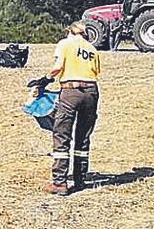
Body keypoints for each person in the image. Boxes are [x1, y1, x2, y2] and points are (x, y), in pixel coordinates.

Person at [32, 21, 102, 195]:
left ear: (70, 32)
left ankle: (59, 182)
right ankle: (80, 179)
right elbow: (94, 72)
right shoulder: (92, 49)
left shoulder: (65, 44)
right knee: (83, 136)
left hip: (71, 91)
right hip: (92, 92)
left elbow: (58, 67)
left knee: (62, 134)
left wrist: (44, 80)